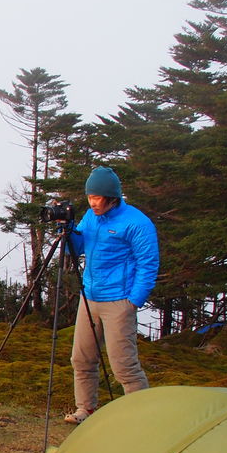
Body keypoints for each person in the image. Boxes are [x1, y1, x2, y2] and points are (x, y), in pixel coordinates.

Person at [63, 166, 159, 425]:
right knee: (82, 359)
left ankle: (141, 418)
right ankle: (85, 410)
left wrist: (133, 301)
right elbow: (78, 246)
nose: (92, 203)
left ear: (112, 197)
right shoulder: (91, 217)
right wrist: (68, 230)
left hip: (119, 301)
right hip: (90, 296)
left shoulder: (137, 222)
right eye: (89, 197)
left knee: (124, 366)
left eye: (97, 198)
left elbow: (148, 264)